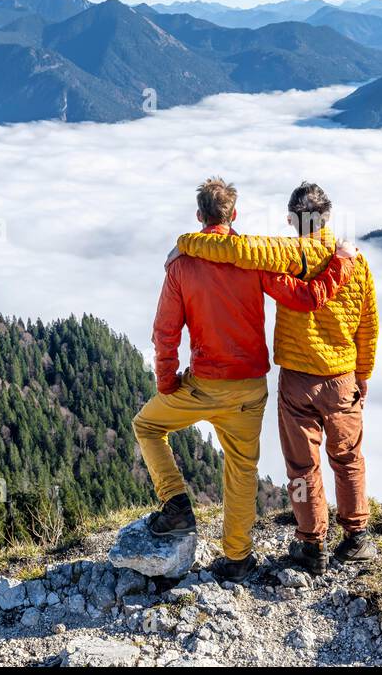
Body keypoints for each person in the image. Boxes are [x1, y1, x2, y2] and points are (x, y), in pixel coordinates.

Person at [134, 177, 356, 582]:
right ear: (234, 215)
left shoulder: (181, 267)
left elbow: (165, 333)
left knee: (146, 425)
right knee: (241, 470)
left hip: (202, 385)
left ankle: (176, 505)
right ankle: (237, 559)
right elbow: (307, 298)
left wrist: (168, 383)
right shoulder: (254, 262)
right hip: (250, 388)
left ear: (199, 216)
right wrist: (341, 262)